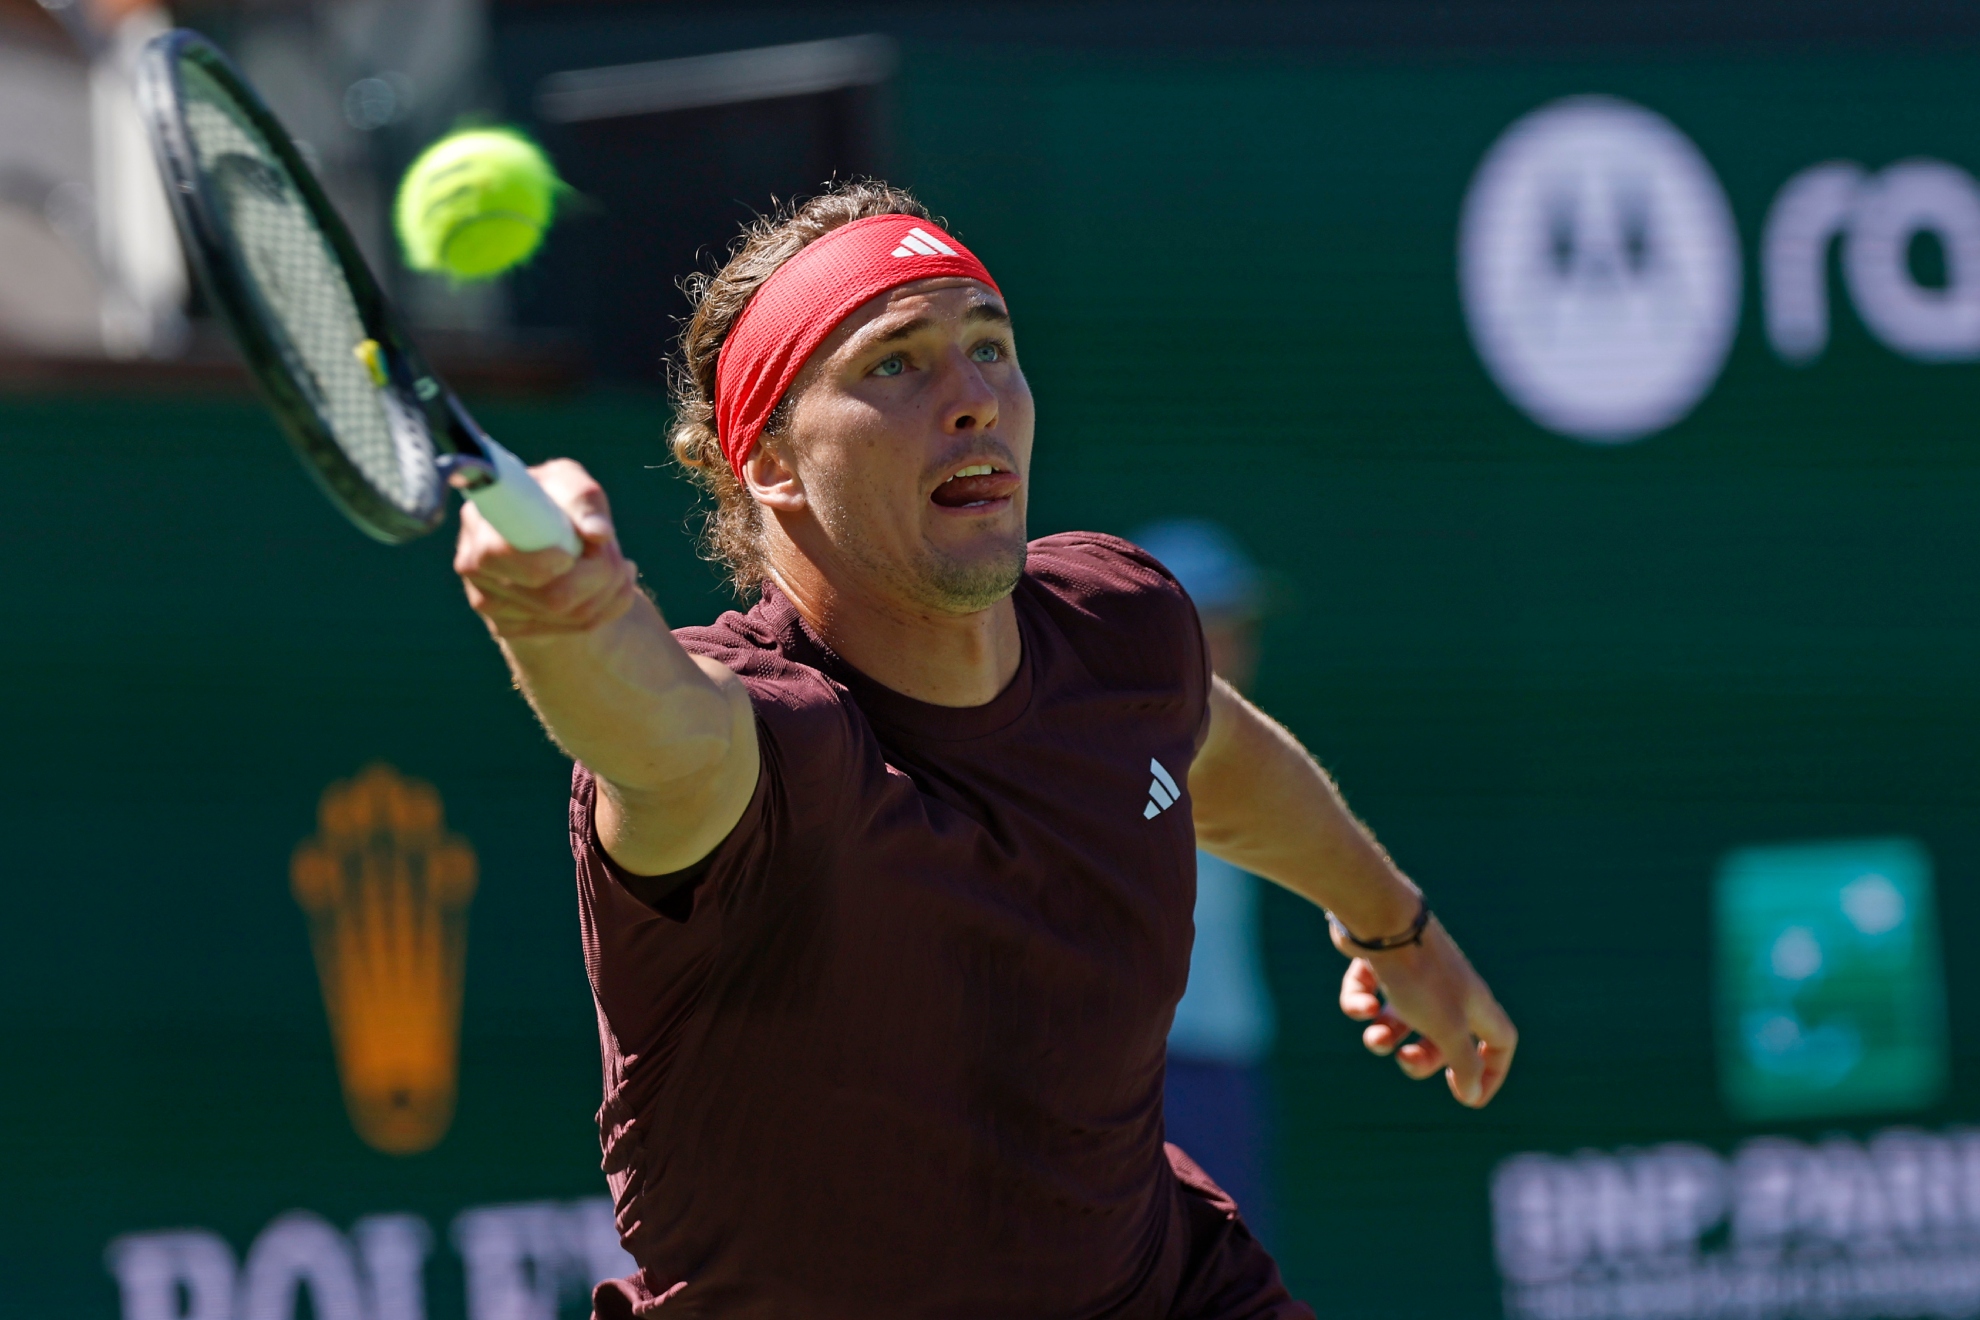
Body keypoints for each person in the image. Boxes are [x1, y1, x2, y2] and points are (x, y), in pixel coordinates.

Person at [453, 181, 1517, 1319]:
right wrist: (561, 614)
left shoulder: (1120, 628)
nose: (975, 400)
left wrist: (1393, 925)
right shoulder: (765, 741)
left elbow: (1207, 747)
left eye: (991, 346)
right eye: (895, 365)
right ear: (767, 462)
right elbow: (647, 721)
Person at [1131, 519, 1279, 1241]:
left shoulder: (1236, 747)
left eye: (1237, 625)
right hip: (1148, 1074)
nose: (1236, 645)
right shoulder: (1115, 750)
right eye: (1214, 624)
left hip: (1221, 1069)